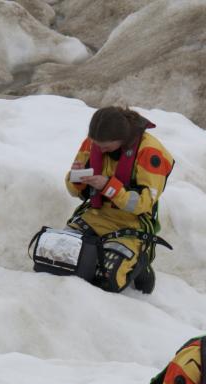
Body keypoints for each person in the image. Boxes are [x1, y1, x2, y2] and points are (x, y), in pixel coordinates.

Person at [64, 106, 174, 293]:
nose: (99, 149)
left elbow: (143, 203)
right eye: (96, 144)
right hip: (95, 215)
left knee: (107, 277)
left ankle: (141, 263)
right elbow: (75, 192)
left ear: (121, 139)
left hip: (131, 224)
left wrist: (109, 187)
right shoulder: (92, 143)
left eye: (105, 146)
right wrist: (75, 179)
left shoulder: (150, 152)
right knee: (62, 255)